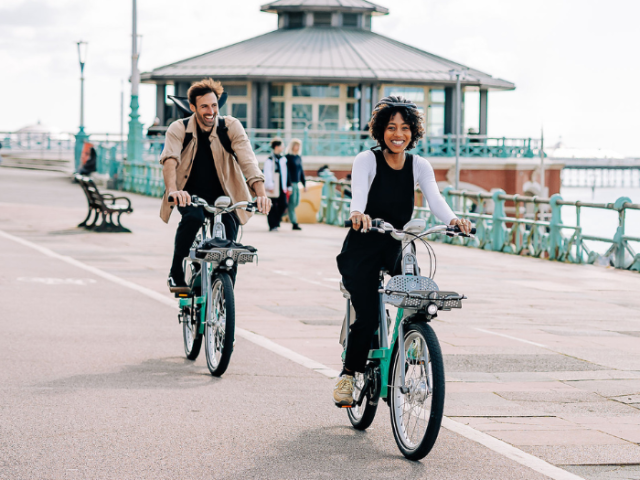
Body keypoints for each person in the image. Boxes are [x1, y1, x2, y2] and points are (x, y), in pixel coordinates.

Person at [332, 96, 472, 406]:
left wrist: (453, 220)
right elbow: (359, 194)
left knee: (417, 299)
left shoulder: (418, 165)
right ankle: (348, 374)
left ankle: (411, 343)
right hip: (363, 245)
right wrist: (358, 214)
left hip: (399, 245)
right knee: (367, 315)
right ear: (381, 130)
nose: (399, 134)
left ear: (414, 132)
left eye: (405, 128)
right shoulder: (366, 160)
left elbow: (435, 199)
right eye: (392, 127)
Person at [159, 78, 271, 293]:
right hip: (189, 194)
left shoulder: (230, 126)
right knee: (194, 218)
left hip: (227, 195)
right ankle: (176, 272)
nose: (210, 111)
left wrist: (261, 194)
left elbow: (248, 160)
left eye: (214, 105)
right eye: (204, 106)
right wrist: (173, 191)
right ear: (192, 108)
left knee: (229, 246)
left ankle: (223, 297)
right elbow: (169, 161)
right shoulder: (179, 128)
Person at [264, 138, 288, 232]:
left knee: (283, 204)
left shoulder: (283, 158)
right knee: (272, 206)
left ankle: (277, 221)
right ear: (277, 147)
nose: (283, 147)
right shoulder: (270, 159)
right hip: (273, 186)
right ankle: (272, 225)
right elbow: (267, 173)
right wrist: (269, 185)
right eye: (282, 145)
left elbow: (286, 173)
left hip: (281, 186)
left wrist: (287, 186)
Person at [285, 138, 306, 230]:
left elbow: (301, 171)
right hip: (291, 183)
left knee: (296, 202)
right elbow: (287, 172)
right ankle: (294, 222)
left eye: (298, 146)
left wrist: (304, 184)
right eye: (296, 145)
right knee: (292, 203)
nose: (297, 147)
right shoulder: (287, 157)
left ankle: (285, 214)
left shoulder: (298, 157)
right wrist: (288, 184)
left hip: (297, 183)